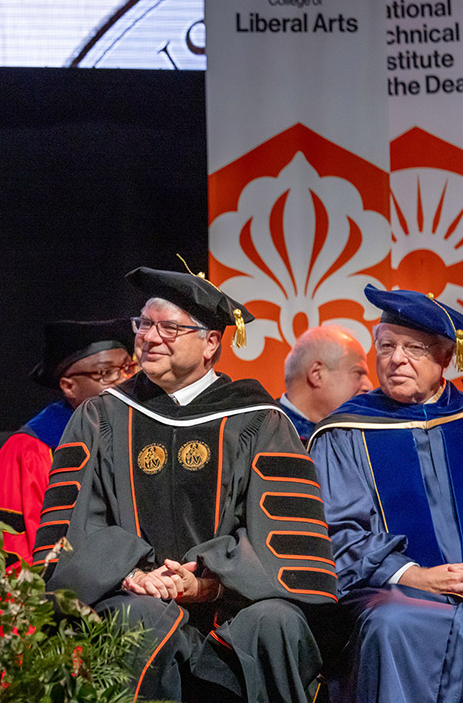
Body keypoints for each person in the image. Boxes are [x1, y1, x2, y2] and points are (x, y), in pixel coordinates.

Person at [34, 265, 337, 703]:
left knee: (278, 623)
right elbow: (76, 525)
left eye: (170, 328)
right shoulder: (102, 417)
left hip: (234, 603)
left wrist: (208, 581)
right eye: (145, 324)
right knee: (134, 619)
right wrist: (131, 573)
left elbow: (284, 543)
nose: (150, 338)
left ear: (211, 342)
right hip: (132, 594)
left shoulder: (259, 421)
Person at [308, 285, 463, 703]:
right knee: (394, 622)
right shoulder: (345, 432)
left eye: (414, 348)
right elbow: (337, 533)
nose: (396, 359)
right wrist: (416, 575)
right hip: (386, 587)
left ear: (445, 358)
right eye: (386, 345)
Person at [0, 318, 135, 570]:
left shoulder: (141, 436)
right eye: (105, 373)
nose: (123, 380)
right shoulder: (32, 449)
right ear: (69, 386)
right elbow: (2, 555)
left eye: (128, 368)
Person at [278, 326, 373, 441]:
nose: (369, 386)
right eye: (358, 373)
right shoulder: (262, 437)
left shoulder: (359, 438)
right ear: (317, 374)